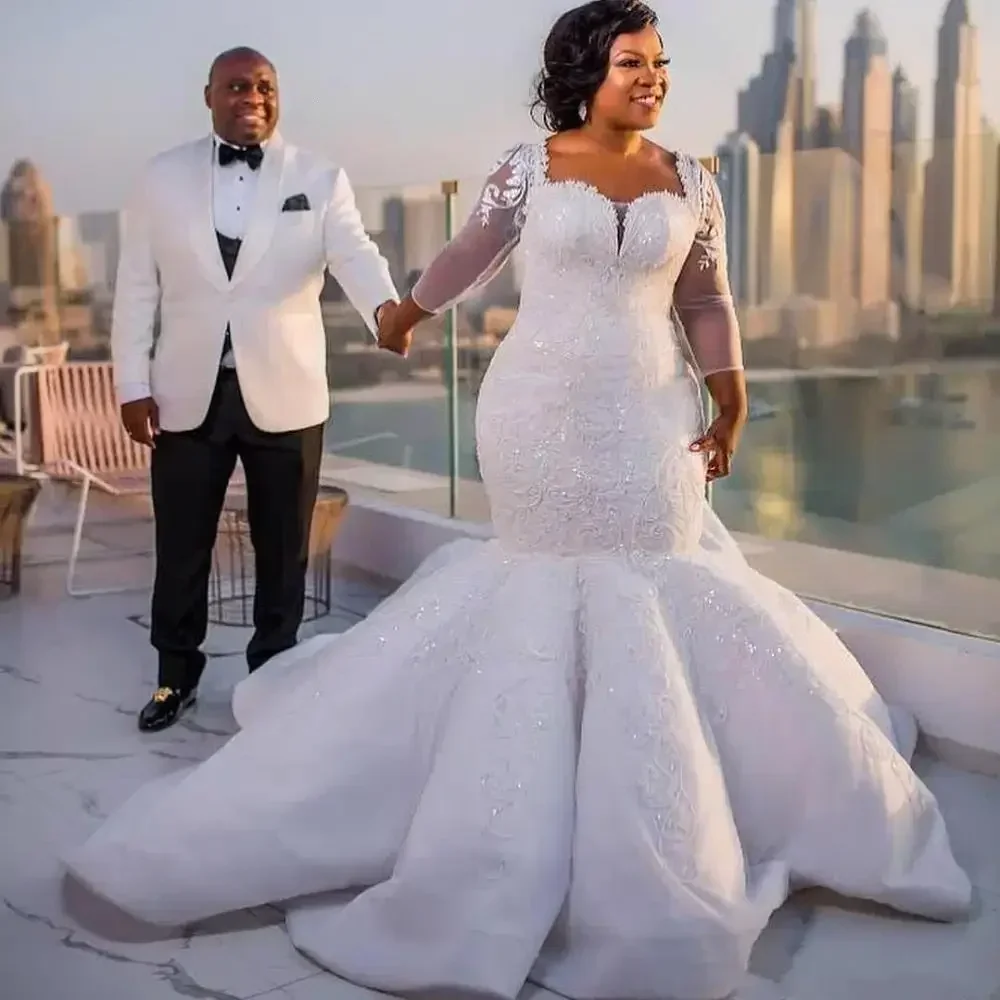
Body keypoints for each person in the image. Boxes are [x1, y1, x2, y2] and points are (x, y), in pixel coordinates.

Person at [67, 6, 971, 998]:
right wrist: (407, 310)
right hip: (537, 412)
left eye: (661, 63)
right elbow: (469, 254)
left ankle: (682, 808)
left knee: (662, 577)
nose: (654, 76)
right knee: (539, 581)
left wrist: (732, 396)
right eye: (633, 61)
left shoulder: (694, 180)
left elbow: (703, 299)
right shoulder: (529, 167)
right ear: (587, 69)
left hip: (651, 415)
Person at [111, 47, 402, 732]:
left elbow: (356, 253)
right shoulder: (160, 178)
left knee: (284, 549)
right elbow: (135, 287)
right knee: (182, 546)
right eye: (237, 85)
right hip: (186, 391)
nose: (253, 96)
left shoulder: (320, 178)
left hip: (289, 394)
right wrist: (130, 381)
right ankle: (173, 677)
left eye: (266, 86)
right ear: (208, 94)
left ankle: (275, 676)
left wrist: (387, 311)